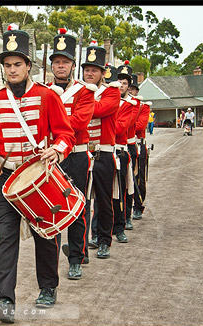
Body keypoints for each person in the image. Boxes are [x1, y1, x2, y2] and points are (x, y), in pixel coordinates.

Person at [0, 25, 75, 323]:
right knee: (6, 237)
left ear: (28, 65)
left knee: (46, 232)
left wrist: (57, 149)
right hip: (5, 180)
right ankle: (5, 300)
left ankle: (48, 288)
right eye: (7, 65)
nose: (12, 70)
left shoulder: (47, 96)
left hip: (39, 176)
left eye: (17, 64)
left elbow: (66, 134)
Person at [49, 34, 96, 279]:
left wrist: (53, 123)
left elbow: (80, 121)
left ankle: (76, 257)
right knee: (53, 209)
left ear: (72, 65)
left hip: (77, 155)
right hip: (54, 157)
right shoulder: (45, 91)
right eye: (56, 62)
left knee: (77, 207)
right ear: (51, 65)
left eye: (65, 62)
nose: (60, 66)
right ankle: (51, 260)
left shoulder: (85, 92)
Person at [85, 62, 121, 258]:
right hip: (83, 152)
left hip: (103, 153)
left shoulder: (112, 92)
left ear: (102, 73)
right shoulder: (79, 91)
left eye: (94, 70)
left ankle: (104, 240)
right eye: (87, 70)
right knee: (82, 202)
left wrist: (80, 105)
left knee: (104, 201)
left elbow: (98, 110)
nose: (90, 74)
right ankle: (82, 245)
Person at [112, 60, 137, 245]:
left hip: (120, 151)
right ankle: (97, 232)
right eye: (119, 80)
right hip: (102, 151)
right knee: (100, 197)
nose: (121, 84)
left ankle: (120, 226)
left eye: (125, 82)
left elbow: (121, 129)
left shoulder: (131, 104)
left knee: (120, 193)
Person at [125, 74, 143, 231]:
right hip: (117, 144)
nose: (129, 91)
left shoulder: (138, 105)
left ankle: (137, 206)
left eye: (132, 88)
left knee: (136, 180)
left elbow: (139, 125)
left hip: (131, 144)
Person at [133, 100, 151, 221]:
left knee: (139, 178)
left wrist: (124, 124)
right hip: (123, 144)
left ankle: (138, 206)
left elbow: (141, 126)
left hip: (138, 144)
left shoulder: (142, 107)